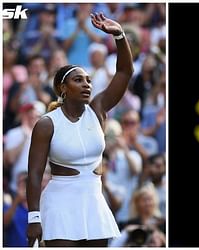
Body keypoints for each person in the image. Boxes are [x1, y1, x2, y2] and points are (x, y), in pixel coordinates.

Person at [26, 12, 133, 247]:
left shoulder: (98, 110)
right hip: (59, 205)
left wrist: (119, 35)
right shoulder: (46, 123)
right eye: (78, 80)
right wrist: (34, 217)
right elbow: (34, 174)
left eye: (88, 80)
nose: (86, 84)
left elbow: (124, 72)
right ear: (63, 88)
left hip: (94, 202)